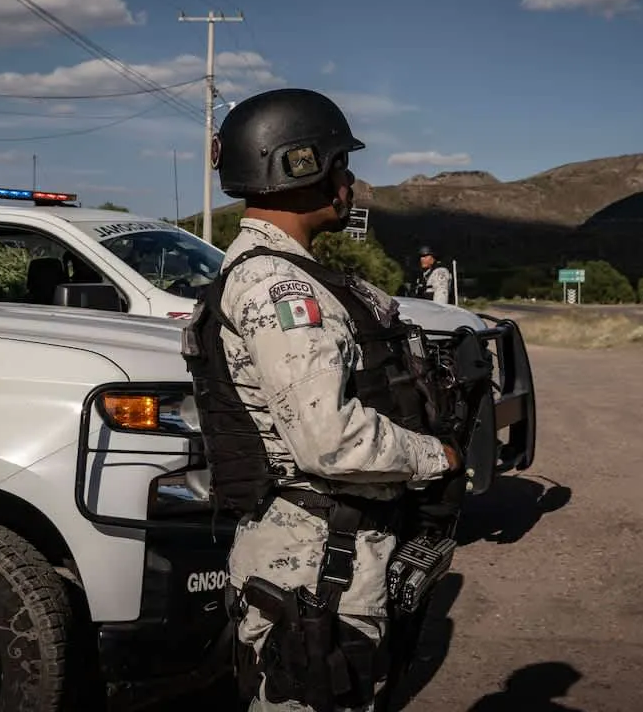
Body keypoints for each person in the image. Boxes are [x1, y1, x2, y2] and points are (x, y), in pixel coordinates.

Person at [181, 87, 464, 711]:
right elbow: (330, 441)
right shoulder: (279, 288)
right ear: (301, 165)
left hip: (317, 552)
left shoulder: (280, 273)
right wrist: (435, 457)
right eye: (339, 163)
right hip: (315, 561)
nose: (350, 179)